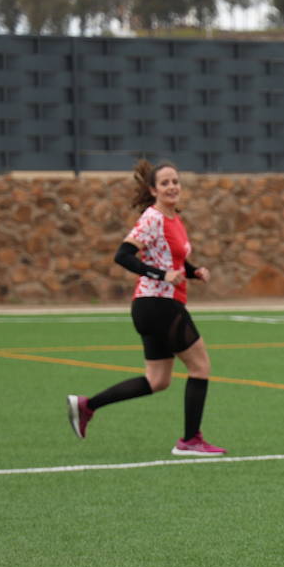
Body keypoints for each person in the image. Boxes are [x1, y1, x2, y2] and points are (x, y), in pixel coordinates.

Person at [65, 160, 224, 457]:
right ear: (153, 190)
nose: (172, 186)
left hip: (151, 306)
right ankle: (190, 440)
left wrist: (193, 271)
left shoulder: (173, 218)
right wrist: (162, 276)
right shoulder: (152, 218)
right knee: (200, 367)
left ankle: (88, 406)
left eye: (175, 181)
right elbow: (123, 255)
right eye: (164, 183)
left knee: (158, 380)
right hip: (159, 305)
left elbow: (171, 261)